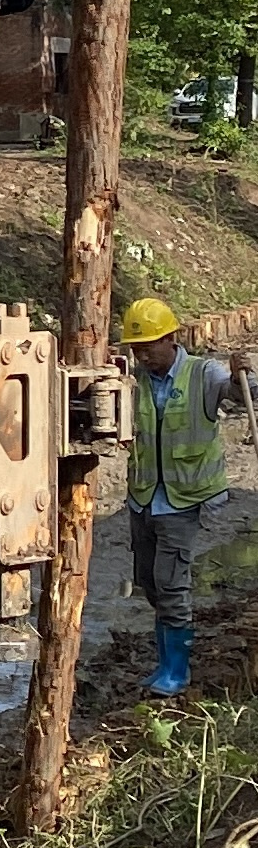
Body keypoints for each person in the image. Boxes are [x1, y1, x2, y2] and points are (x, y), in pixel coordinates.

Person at [120, 295, 253, 698]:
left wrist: (240, 376)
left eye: (149, 347)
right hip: (144, 496)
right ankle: (166, 658)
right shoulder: (135, 381)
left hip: (184, 498)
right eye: (136, 349)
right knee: (149, 581)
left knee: (171, 583)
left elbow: (241, 393)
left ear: (171, 339)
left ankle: (176, 670)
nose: (143, 356)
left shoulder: (202, 373)